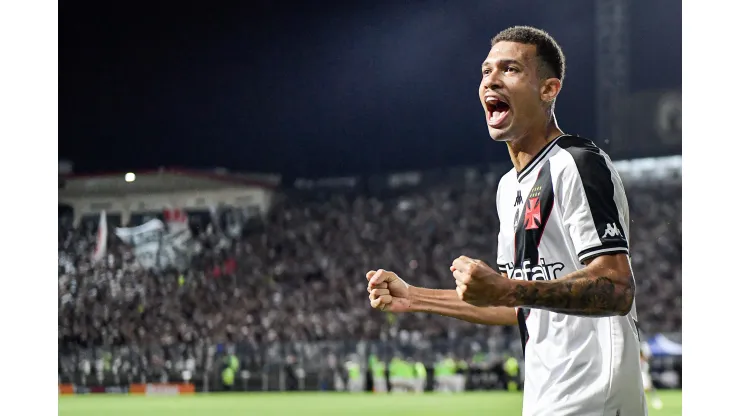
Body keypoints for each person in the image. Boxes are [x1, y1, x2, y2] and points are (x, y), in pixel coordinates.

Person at [366, 25, 646, 416]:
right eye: (485, 71)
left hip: (592, 397)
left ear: (549, 89)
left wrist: (509, 289)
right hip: (546, 397)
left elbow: (617, 288)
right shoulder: (508, 187)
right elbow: (517, 305)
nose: (490, 80)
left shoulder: (576, 163)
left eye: (510, 69)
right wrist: (415, 297)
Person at [640, 341, 663, 409]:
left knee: (648, 388)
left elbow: (647, 358)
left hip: (643, 372)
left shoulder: (644, 346)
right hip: (640, 372)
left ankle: (654, 400)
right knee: (646, 389)